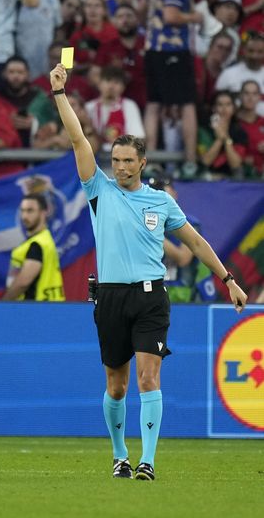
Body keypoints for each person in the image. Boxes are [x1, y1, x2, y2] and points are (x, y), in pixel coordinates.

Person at [50, 62, 248, 481]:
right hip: (109, 297)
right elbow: (77, 137)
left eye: (126, 160)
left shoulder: (160, 201)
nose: (119, 167)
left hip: (149, 297)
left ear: (142, 162)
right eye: (115, 160)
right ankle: (120, 455)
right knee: (116, 386)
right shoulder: (98, 189)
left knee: (148, 377)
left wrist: (228, 279)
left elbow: (195, 242)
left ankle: (148, 462)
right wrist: (60, 94)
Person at [143, 0, 202, 178]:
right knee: (187, 104)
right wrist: (196, 17)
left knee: (154, 103)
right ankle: (190, 161)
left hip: (152, 48)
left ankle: (150, 159)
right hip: (173, 48)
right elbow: (171, 16)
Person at [146, 170, 217, 303]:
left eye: (163, 193)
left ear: (174, 194)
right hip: (154, 293)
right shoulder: (145, 223)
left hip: (184, 295)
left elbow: (183, 258)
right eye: (155, 193)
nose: (159, 198)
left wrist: (152, 232)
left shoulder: (189, 224)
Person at [2, 193, 64, 301]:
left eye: (30, 210)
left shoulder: (37, 244)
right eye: (22, 210)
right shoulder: (44, 240)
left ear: (44, 212)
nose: (24, 216)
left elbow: (23, 282)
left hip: (36, 309)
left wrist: (3, 304)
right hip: (50, 307)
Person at [85, 66, 145, 151]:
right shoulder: (89, 107)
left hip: (121, 157)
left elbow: (138, 139)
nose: (111, 86)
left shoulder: (129, 106)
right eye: (108, 81)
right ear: (99, 84)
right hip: (94, 156)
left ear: (123, 87)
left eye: (116, 82)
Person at [197, 90, 247, 179]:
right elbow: (205, 161)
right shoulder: (204, 131)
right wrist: (219, 139)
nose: (224, 108)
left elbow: (236, 165)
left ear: (234, 109)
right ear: (214, 108)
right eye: (220, 104)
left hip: (232, 179)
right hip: (207, 178)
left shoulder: (239, 132)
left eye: (228, 104)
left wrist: (226, 137)